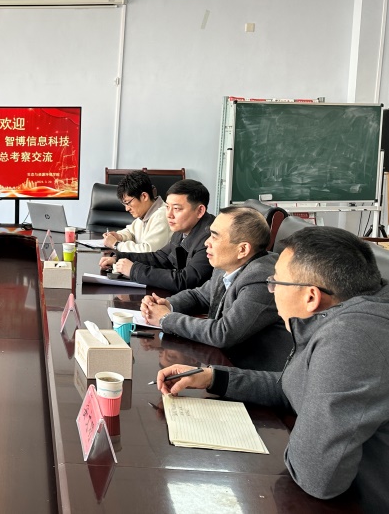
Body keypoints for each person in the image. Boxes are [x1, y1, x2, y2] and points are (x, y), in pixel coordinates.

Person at [156, 227, 389, 510]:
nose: (272, 290)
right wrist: (212, 377)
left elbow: (316, 476)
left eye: (276, 282)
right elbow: (295, 385)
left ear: (311, 297)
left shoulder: (351, 339)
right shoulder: (349, 315)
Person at [140, 207, 291, 370]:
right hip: (222, 360)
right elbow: (200, 296)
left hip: (252, 372)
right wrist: (167, 304)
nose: (206, 242)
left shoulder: (261, 279)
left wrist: (165, 318)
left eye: (214, 236)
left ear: (242, 249)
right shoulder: (228, 264)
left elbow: (223, 333)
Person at [99, 179, 215, 292]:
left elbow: (185, 280)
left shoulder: (211, 238)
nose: (169, 214)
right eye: (167, 207)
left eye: (176, 209)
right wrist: (119, 258)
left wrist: (134, 270)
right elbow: (160, 257)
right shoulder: (182, 229)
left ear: (200, 211)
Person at [101, 170, 172, 252]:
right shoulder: (145, 213)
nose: (127, 209)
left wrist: (116, 244)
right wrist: (119, 236)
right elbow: (131, 232)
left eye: (128, 203)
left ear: (144, 196)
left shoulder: (162, 215)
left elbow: (147, 251)